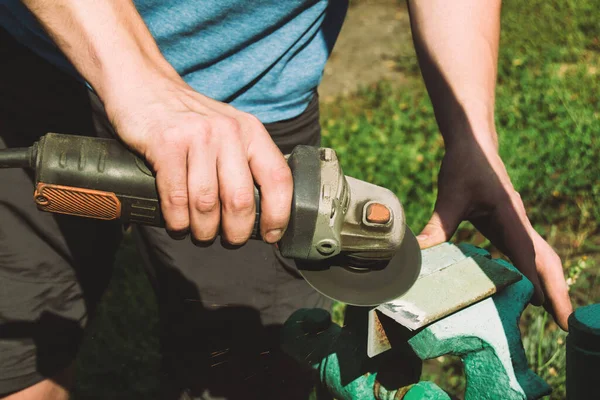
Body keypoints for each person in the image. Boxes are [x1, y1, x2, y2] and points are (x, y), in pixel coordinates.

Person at [0, 0, 572, 399]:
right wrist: (138, 80)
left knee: (250, 377)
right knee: (17, 360)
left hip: (257, 102)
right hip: (38, 47)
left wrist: (474, 139)